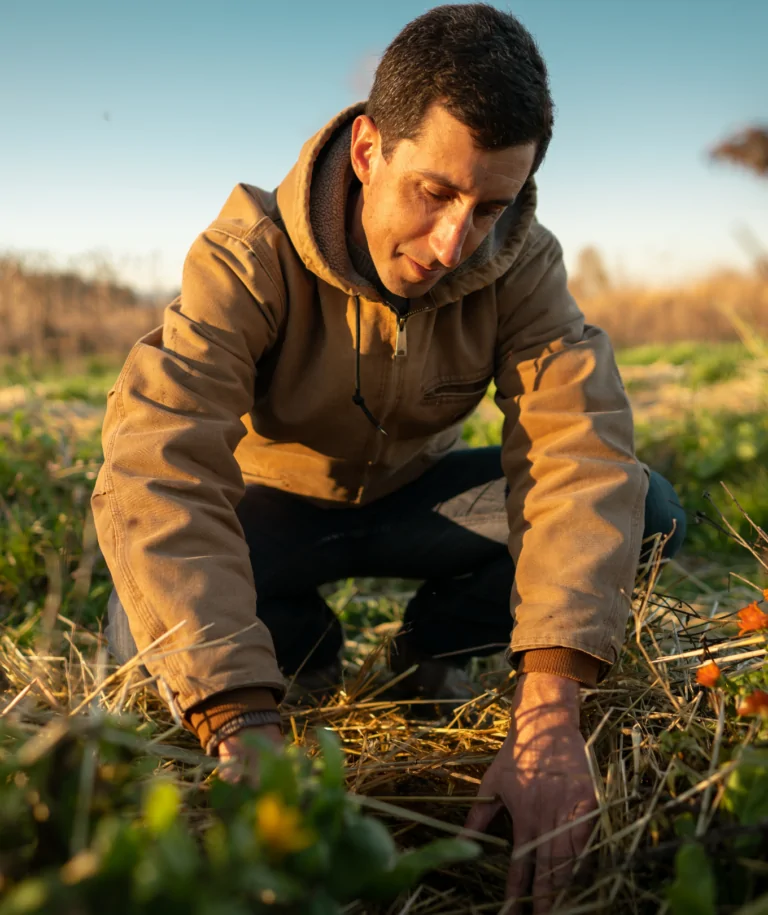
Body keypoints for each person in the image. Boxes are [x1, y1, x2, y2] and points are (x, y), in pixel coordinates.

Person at [93, 4, 685, 908]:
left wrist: (550, 704)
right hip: (274, 517)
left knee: (645, 508)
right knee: (149, 628)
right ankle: (300, 651)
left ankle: (427, 655)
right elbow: (155, 462)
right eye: (436, 193)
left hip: (418, 507)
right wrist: (241, 720)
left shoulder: (521, 265)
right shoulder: (248, 253)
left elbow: (578, 449)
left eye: (490, 206)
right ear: (370, 150)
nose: (455, 245)